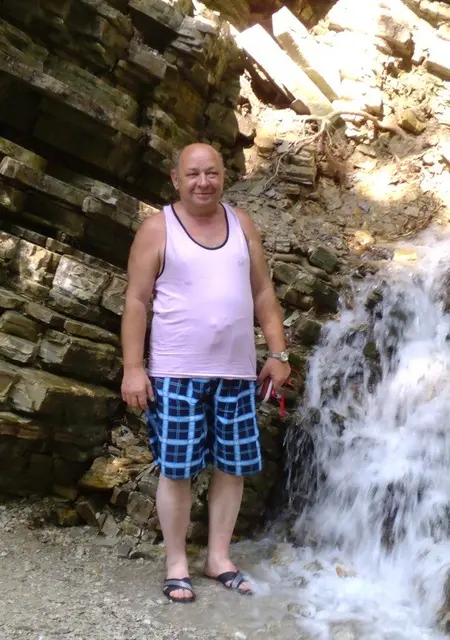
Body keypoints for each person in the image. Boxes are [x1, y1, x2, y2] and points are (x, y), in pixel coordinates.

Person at [121, 143, 291, 603]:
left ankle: (219, 558)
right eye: (193, 174)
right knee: (177, 470)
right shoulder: (157, 229)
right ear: (176, 179)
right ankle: (177, 564)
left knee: (232, 468)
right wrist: (133, 368)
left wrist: (278, 352)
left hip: (237, 373)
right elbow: (136, 301)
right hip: (175, 373)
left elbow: (262, 292)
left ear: (223, 176)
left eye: (211, 173)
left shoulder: (242, 224)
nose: (203, 182)